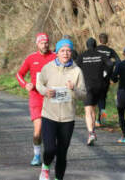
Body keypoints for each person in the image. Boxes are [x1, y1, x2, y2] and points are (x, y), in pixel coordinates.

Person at [36, 38, 86, 180]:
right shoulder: (48, 68)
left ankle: (58, 177)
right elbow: (39, 84)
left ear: (72, 53)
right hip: (49, 115)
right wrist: (45, 91)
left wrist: (74, 89)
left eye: (68, 51)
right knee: (50, 149)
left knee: (62, 153)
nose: (65, 53)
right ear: (57, 53)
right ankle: (45, 167)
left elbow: (83, 95)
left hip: (67, 118)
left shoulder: (77, 71)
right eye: (62, 51)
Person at [16, 33, 56, 166]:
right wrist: (25, 84)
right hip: (36, 97)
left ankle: (50, 153)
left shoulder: (55, 57)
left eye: (46, 42)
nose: (45, 45)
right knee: (38, 131)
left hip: (52, 98)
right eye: (42, 43)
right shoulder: (31, 58)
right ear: (37, 44)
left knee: (51, 131)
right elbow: (19, 74)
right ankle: (37, 155)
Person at [77, 37, 113, 146]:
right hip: (100, 86)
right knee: (93, 109)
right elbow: (111, 64)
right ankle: (95, 127)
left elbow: (74, 68)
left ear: (86, 45)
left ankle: (91, 133)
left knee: (88, 110)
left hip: (87, 86)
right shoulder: (101, 55)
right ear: (96, 45)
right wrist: (106, 74)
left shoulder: (82, 56)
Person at [95, 33, 121, 126]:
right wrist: (113, 73)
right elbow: (119, 62)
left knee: (94, 98)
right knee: (103, 98)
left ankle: (93, 119)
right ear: (107, 40)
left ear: (99, 40)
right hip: (105, 78)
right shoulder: (110, 51)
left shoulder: (95, 49)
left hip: (94, 77)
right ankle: (102, 119)